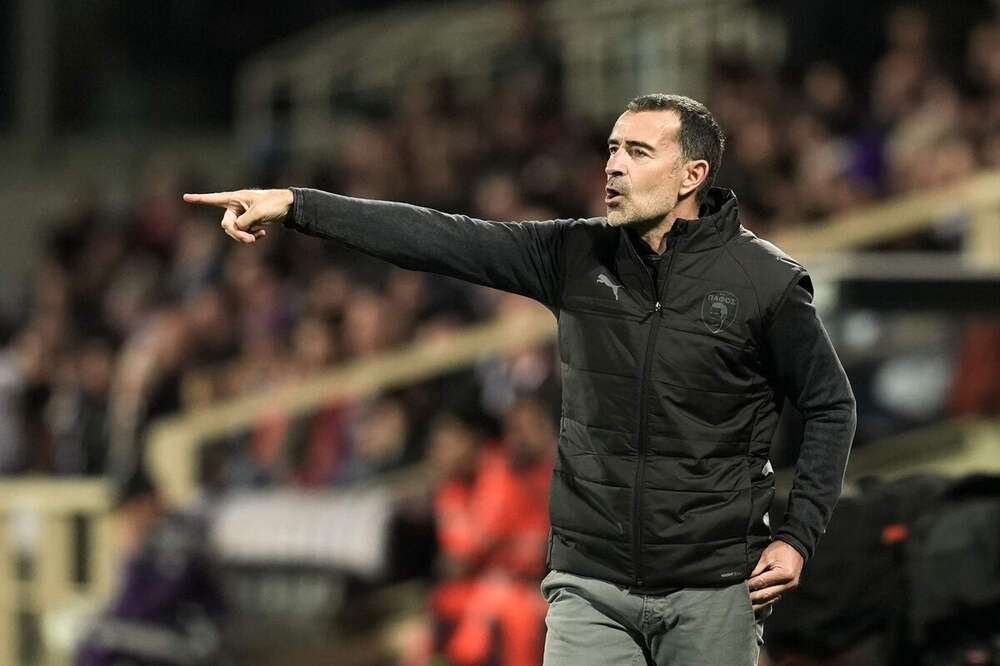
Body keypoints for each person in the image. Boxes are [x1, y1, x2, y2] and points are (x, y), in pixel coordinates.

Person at [184, 93, 856, 665]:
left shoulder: (764, 283)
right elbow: (438, 237)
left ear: (692, 175)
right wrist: (298, 205)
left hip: (712, 586)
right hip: (590, 583)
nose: (614, 165)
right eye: (612, 149)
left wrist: (797, 537)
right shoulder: (573, 254)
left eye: (638, 152)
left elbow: (830, 405)